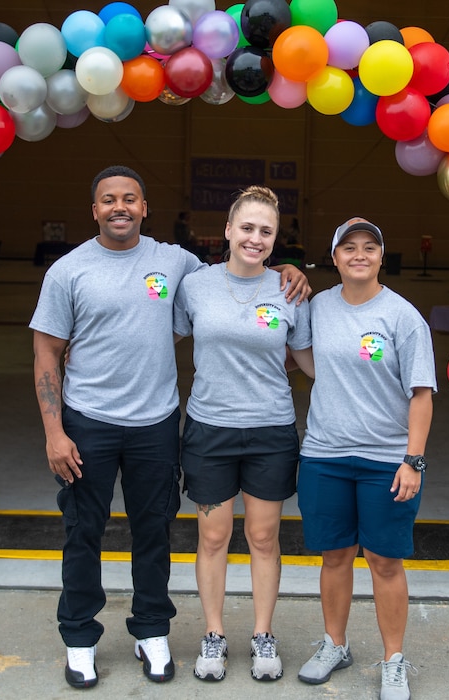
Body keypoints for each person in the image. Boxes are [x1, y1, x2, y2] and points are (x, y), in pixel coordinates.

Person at [29, 165, 310, 690]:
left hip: (156, 422)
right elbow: (46, 351)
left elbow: (237, 271)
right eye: (108, 199)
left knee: (154, 529)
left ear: (145, 207)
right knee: (82, 532)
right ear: (94, 209)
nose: (120, 207)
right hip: (86, 421)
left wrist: (288, 268)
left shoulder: (175, 262)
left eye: (130, 198)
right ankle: (80, 637)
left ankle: (151, 629)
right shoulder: (68, 270)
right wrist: (53, 430)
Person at [172, 186, 312, 683]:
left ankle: (262, 634)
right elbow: (159, 339)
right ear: (228, 231)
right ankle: (213, 635)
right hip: (209, 429)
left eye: (266, 231)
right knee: (213, 536)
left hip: (271, 431)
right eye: (247, 228)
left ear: (276, 240)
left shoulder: (290, 290)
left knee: (262, 536)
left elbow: (311, 362)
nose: (255, 238)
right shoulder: (195, 286)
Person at [294, 217, 436, 700]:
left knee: (384, 560)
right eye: (348, 247)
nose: (359, 254)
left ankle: (393, 659)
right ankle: (335, 644)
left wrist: (412, 461)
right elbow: (308, 359)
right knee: (335, 555)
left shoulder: (402, 316)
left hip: (385, 459)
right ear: (334, 257)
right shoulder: (318, 307)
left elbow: (421, 394)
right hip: (324, 454)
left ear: (381, 256)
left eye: (369, 247)